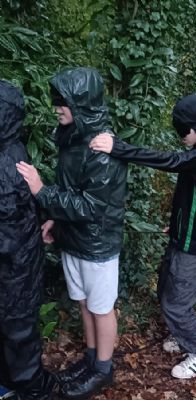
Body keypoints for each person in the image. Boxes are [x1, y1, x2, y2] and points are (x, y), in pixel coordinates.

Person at [89, 93, 196, 379]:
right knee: (165, 290)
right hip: (183, 236)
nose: (180, 135)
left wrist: (118, 148)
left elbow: (171, 161)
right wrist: (176, 224)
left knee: (175, 304)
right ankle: (185, 332)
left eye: (183, 129)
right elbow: (191, 194)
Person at [16, 68, 127, 399]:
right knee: (83, 303)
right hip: (74, 239)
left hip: (97, 244)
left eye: (62, 102)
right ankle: (91, 360)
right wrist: (55, 219)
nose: (57, 108)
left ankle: (103, 370)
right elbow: (71, 191)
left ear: (81, 104)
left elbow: (92, 207)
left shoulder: (101, 149)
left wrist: (42, 192)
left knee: (101, 307)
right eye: (56, 101)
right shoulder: (72, 138)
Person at [0, 81, 56, 399]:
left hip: (16, 264)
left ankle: (30, 387)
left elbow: (14, 217)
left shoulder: (12, 158)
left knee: (18, 327)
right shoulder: (13, 152)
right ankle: (14, 383)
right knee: (13, 327)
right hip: (16, 261)